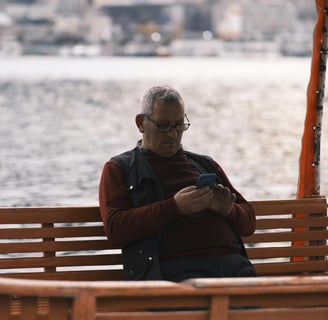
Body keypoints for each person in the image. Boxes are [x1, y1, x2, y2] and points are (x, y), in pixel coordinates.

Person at [99, 85, 256, 282]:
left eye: (179, 125)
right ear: (141, 123)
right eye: (163, 126)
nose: (172, 134)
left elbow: (249, 222)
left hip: (233, 265)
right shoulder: (120, 168)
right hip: (174, 270)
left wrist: (227, 209)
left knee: (256, 306)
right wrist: (174, 207)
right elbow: (116, 229)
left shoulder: (205, 165)